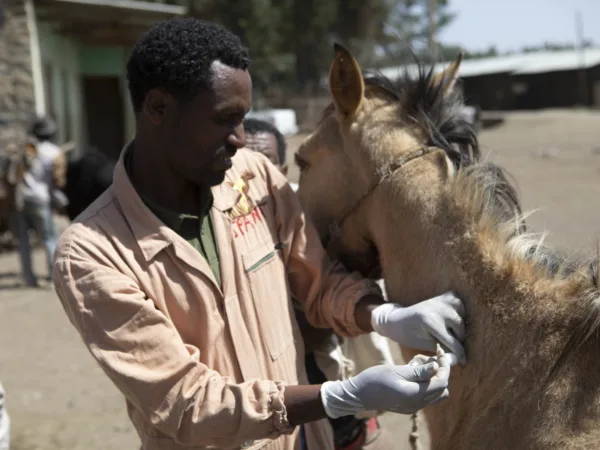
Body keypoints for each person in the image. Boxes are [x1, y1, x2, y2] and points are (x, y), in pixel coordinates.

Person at [53, 18, 466, 450]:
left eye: (244, 118)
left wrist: (383, 316)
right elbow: (186, 402)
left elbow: (319, 283)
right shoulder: (91, 254)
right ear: (158, 109)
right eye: (224, 119)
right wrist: (340, 396)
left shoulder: (253, 180)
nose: (240, 139)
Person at [243, 118, 395, 448]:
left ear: (281, 168)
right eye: (243, 159)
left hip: (326, 377)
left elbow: (337, 288)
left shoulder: (307, 216)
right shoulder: (223, 224)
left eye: (264, 162)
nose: (252, 174)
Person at [15, 116, 66, 287]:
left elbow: (17, 174)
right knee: (49, 238)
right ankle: (54, 278)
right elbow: (59, 180)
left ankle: (29, 278)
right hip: (42, 199)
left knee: (24, 241)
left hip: (22, 199)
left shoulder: (26, 149)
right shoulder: (54, 152)